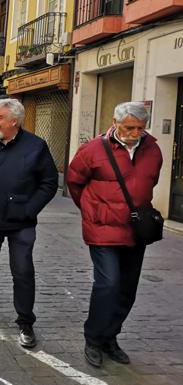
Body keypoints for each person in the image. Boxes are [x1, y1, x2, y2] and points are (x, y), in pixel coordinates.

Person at [66, 102, 163, 368]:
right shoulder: (93, 150)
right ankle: (94, 339)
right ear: (115, 122)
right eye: (129, 127)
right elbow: (74, 183)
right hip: (103, 229)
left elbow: (150, 182)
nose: (134, 133)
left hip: (135, 230)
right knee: (108, 284)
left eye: (140, 128)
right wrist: (92, 211)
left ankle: (110, 337)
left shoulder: (153, 149)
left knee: (127, 289)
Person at [0, 98, 57, 348]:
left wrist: (29, 209)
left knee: (23, 272)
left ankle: (25, 321)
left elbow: (48, 183)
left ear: (14, 121)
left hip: (21, 223)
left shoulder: (36, 146)